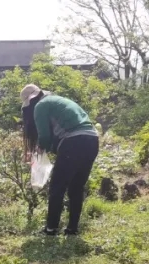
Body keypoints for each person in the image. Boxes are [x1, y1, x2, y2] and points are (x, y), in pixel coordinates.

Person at [21, 84, 100, 237]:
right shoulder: (59, 101)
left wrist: (39, 150)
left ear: (30, 100)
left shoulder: (41, 106)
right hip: (93, 140)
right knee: (76, 187)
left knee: (57, 187)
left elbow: (44, 137)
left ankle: (51, 229)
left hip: (74, 141)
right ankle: (72, 229)